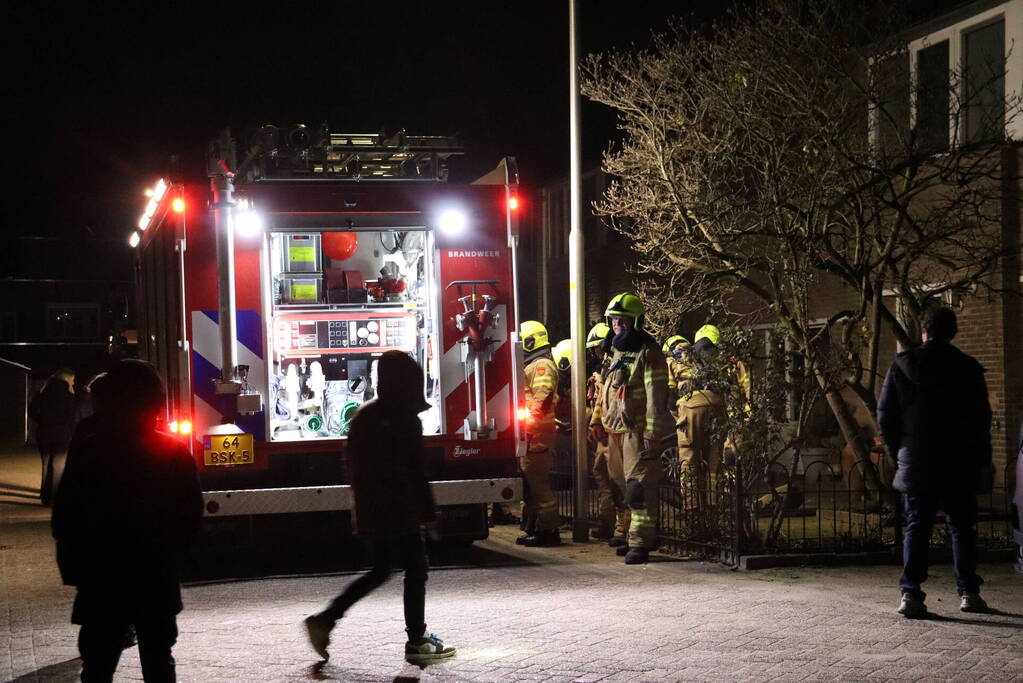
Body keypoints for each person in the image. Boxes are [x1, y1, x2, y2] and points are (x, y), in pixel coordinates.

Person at [51, 360, 203, 683]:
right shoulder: (173, 451)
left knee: (99, 663)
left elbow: (66, 514)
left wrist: (76, 568)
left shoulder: (91, 448)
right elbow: (190, 517)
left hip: (103, 575)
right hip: (155, 574)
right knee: (159, 660)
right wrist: (174, 559)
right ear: (154, 401)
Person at [304, 351, 456, 664]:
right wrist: (428, 515)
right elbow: (414, 471)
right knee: (416, 569)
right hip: (400, 509)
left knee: (380, 569)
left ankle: (326, 619)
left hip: (372, 508)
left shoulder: (364, 415)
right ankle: (416, 640)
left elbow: (353, 466)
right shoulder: (405, 419)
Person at [877, 306, 993, 618]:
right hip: (958, 461)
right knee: (962, 528)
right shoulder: (967, 368)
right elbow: (982, 420)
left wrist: (899, 452)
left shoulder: (903, 365)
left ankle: (911, 594)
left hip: (917, 461)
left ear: (924, 331)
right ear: (952, 332)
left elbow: (885, 415)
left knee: (917, 525)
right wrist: (982, 460)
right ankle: (969, 591)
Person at [589, 293, 670, 564]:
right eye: (613, 321)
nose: (616, 326)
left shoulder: (649, 352)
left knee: (638, 487)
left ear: (635, 321)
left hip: (636, 430)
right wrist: (597, 420)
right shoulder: (614, 350)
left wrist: (652, 433)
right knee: (621, 485)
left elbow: (656, 396)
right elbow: (605, 391)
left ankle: (640, 542)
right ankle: (633, 535)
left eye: (621, 321)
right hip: (615, 430)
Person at [515, 321, 562, 546]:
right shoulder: (534, 365)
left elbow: (541, 397)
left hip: (537, 434)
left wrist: (529, 425)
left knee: (539, 486)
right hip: (532, 435)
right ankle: (536, 528)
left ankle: (549, 530)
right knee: (532, 485)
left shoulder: (541, 365)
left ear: (530, 340)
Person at [586, 322, 627, 542]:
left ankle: (622, 529)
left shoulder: (617, 365)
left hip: (616, 431)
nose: (596, 353)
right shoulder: (605, 369)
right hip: (605, 430)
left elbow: (611, 400)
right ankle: (607, 522)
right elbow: (600, 401)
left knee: (618, 481)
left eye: (598, 348)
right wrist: (594, 422)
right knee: (602, 475)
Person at [28, 368, 77, 505]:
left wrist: (42, 420)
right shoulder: (68, 394)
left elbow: (31, 410)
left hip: (44, 432)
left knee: (46, 463)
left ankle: (45, 496)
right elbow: (71, 416)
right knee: (58, 466)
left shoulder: (44, 391)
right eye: (72, 380)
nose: (73, 383)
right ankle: (55, 497)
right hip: (61, 434)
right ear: (66, 379)